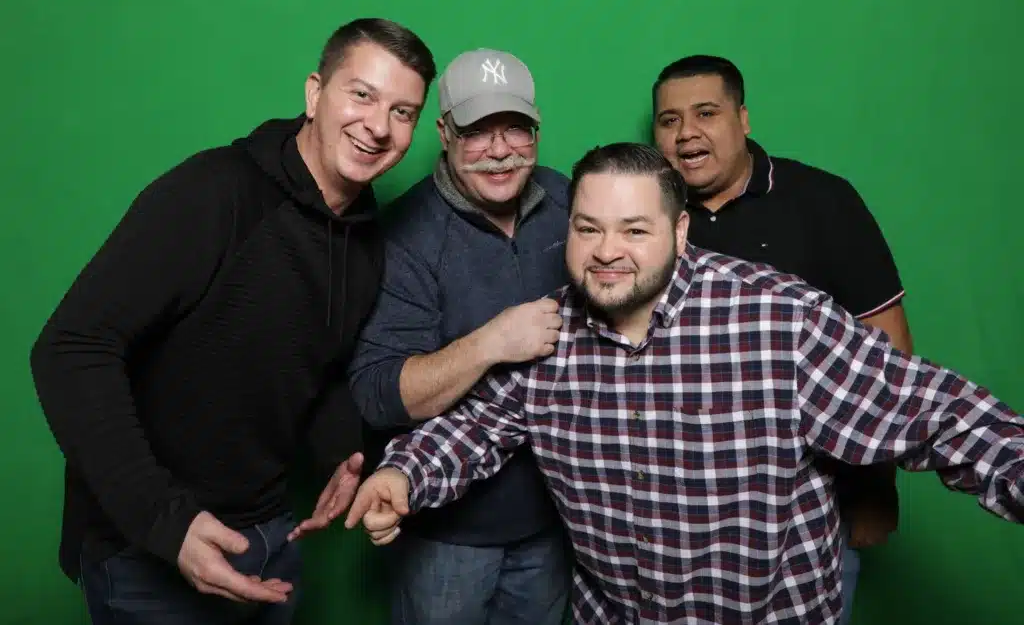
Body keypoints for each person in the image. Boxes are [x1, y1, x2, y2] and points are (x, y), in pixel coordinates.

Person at [344, 142, 1024, 624]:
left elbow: (931, 410)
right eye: (588, 228)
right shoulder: (548, 334)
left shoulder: (775, 319)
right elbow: (477, 426)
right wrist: (403, 475)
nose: (607, 250)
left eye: (633, 229)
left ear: (680, 229)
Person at [29, 17, 436, 625]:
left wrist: (340, 453)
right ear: (314, 93)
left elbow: (317, 365)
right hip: (146, 553)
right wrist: (165, 524)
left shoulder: (365, 242)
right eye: (362, 95)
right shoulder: (213, 192)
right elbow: (71, 348)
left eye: (403, 112)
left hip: (269, 538)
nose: (379, 127)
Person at [651, 54, 912, 623]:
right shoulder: (645, 218)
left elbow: (886, 352)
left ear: (743, 119)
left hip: (810, 510)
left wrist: (875, 490)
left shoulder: (824, 202)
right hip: (678, 517)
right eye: (669, 120)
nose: (686, 132)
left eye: (705, 113)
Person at [340, 48, 572, 625]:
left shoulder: (572, 203)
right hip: (447, 534)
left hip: (559, 521)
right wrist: (491, 342)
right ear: (443, 132)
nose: (499, 151)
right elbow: (378, 393)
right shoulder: (404, 235)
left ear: (537, 125)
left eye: (515, 128)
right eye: (476, 131)